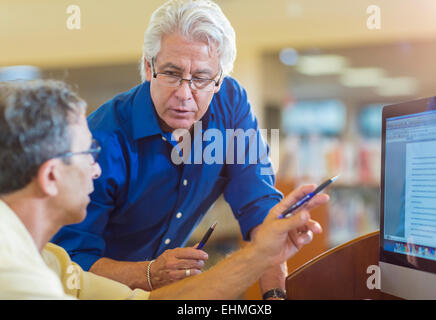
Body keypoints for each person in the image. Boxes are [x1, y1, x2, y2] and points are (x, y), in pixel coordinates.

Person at [51, 0, 297, 298]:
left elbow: (259, 209)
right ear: (147, 66)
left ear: (219, 80)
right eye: (171, 73)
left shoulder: (230, 103)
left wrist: (275, 296)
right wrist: (148, 273)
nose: (184, 94)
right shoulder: (101, 139)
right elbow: (68, 263)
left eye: (201, 79)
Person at [0, 80, 328, 299]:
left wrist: (261, 255)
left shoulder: (50, 260)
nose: (97, 168)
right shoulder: (20, 278)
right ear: (51, 176)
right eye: (87, 154)